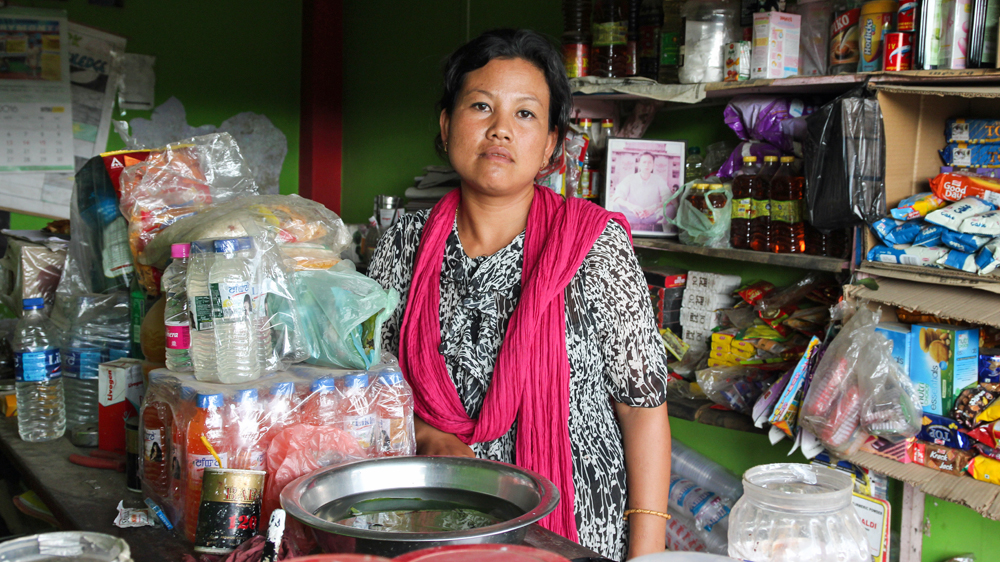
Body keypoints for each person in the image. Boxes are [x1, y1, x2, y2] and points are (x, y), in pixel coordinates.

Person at [368, 29, 670, 561]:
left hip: (573, 533)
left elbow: (643, 410)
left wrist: (648, 554)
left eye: (526, 114)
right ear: (446, 124)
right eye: (481, 106)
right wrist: (426, 431)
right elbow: (375, 385)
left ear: (552, 143)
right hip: (437, 525)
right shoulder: (404, 241)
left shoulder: (594, 243)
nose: (501, 129)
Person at [610, 152, 674, 232]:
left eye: (649, 162)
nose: (647, 165)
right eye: (644, 162)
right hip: (633, 215)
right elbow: (617, 197)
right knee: (615, 205)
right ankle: (618, 232)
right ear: (639, 164)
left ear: (653, 165)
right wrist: (631, 206)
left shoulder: (659, 180)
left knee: (670, 208)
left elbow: (669, 198)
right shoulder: (630, 178)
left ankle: (666, 232)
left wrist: (654, 208)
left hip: (653, 216)